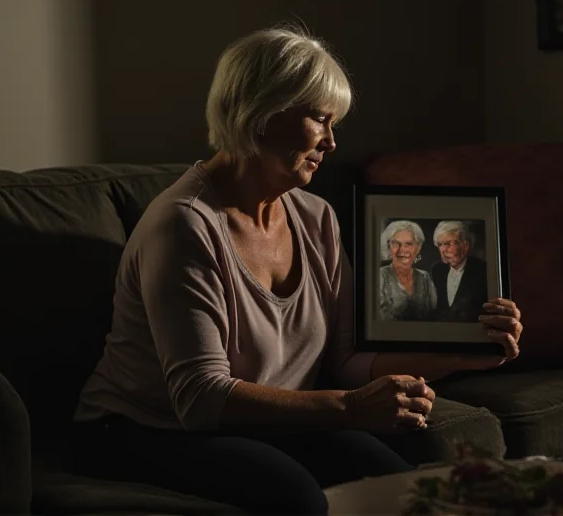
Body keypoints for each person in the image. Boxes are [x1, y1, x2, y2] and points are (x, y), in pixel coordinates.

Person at [71, 26, 523, 515]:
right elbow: (201, 400)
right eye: (319, 119)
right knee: (301, 501)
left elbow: (345, 360)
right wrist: (351, 409)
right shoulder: (185, 225)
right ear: (261, 112)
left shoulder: (315, 217)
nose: (330, 141)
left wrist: (469, 352)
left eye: (335, 124)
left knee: (396, 486)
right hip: (144, 429)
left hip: (263, 421)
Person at [430, 221, 488, 323]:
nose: (443, 249)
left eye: (448, 243)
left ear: (465, 246)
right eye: (440, 244)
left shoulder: (483, 270)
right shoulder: (437, 269)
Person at [378, 220, 437, 321]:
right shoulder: (379, 275)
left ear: (418, 248)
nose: (402, 250)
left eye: (408, 244)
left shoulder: (424, 277)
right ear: (389, 247)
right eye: (396, 244)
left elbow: (433, 315)